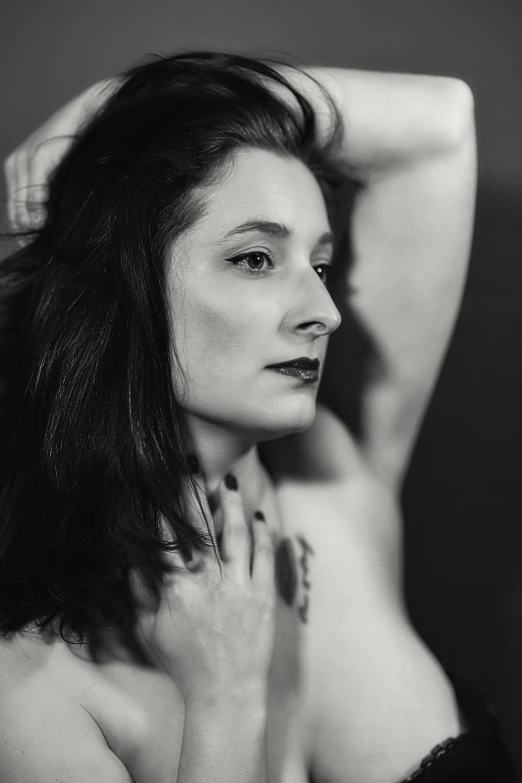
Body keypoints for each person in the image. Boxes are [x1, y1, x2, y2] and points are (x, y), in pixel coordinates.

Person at [0, 51, 515, 783]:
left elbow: (440, 123)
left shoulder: (338, 475)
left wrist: (112, 106)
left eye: (321, 263)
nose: (326, 313)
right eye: (255, 259)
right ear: (123, 285)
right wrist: (225, 698)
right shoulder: (33, 689)